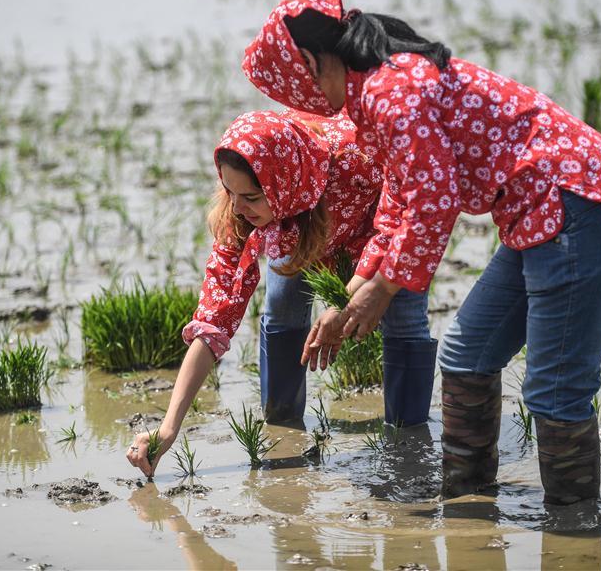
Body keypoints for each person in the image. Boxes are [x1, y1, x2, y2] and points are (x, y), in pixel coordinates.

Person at [241, 0, 601, 506]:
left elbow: (434, 200)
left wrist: (382, 291)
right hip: (539, 216)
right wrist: (351, 296)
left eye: (302, 86)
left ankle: (572, 532)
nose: (310, 102)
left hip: (582, 207)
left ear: (315, 62)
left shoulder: (393, 90)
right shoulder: (375, 94)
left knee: (554, 392)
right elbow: (398, 201)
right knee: (465, 356)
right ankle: (468, 508)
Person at [126, 108, 435, 478]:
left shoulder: (358, 161)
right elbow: (213, 321)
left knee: (404, 318)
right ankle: (283, 426)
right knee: (282, 305)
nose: (239, 208)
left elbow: (409, 217)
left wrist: (350, 299)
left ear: (283, 183)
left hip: (378, 230)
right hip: (297, 223)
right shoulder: (243, 213)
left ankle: (409, 444)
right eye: (230, 191)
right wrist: (168, 427)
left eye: (251, 196)